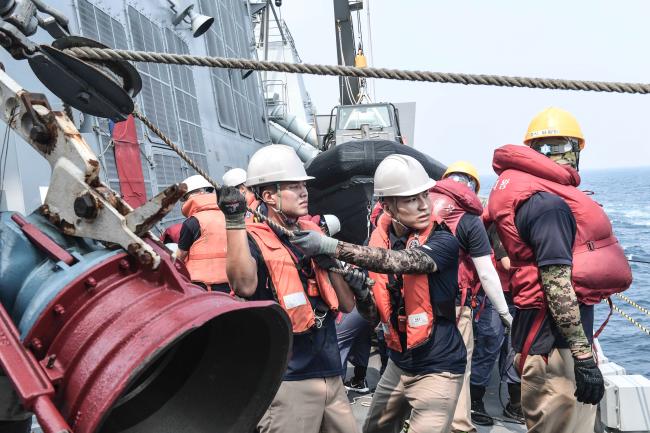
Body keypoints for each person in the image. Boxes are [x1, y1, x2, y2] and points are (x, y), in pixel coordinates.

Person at [290, 154, 466, 433]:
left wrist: (330, 246)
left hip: (438, 367)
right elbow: (374, 316)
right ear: (387, 206)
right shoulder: (379, 239)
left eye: (424, 196)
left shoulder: (443, 240)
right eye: (411, 199)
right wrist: (362, 294)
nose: (423, 206)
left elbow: (402, 261)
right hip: (398, 364)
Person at [487, 107, 633, 433]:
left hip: (538, 340)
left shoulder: (519, 197)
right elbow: (557, 285)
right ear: (575, 152)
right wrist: (583, 357)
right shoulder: (548, 206)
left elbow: (502, 252)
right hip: (556, 351)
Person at [219, 144, 363, 433]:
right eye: (293, 186)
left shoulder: (314, 236)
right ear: (269, 196)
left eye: (304, 186)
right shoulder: (252, 240)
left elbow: (346, 305)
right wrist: (233, 220)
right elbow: (244, 284)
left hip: (331, 372)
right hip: (288, 380)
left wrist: (335, 267)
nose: (304, 192)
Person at [430, 161, 512, 431]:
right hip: (456, 306)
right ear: (472, 189)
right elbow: (487, 274)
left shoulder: (419, 211)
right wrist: (504, 313)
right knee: (459, 367)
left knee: (422, 366)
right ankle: (460, 424)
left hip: (417, 302)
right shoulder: (469, 220)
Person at [174, 174, 230, 293]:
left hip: (203, 287)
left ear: (193, 195)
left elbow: (179, 258)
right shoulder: (228, 217)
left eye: (185, 198)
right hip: (231, 283)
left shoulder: (191, 223)